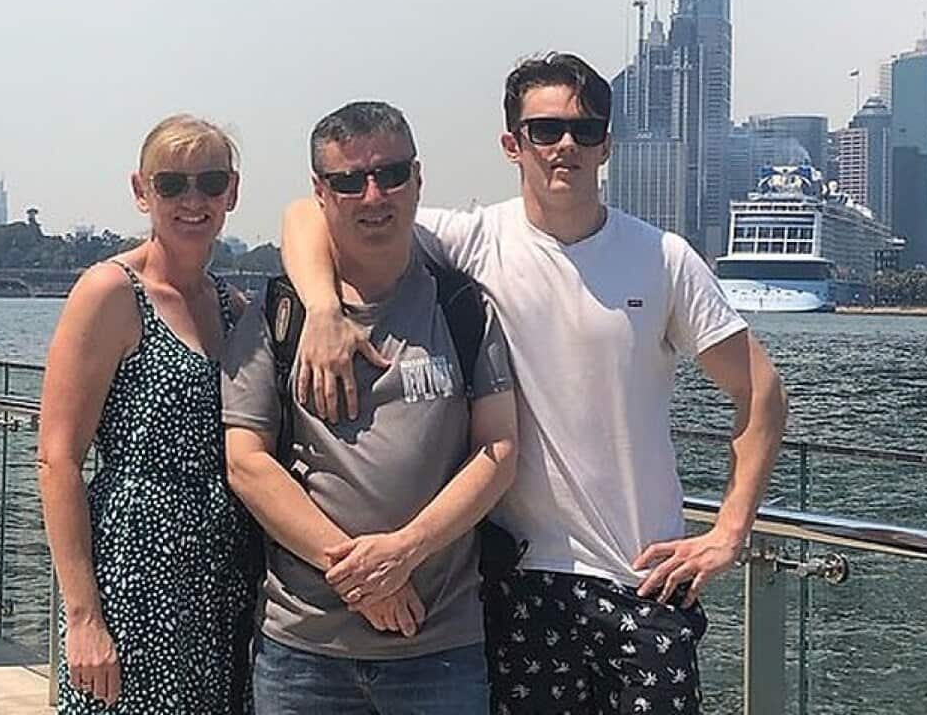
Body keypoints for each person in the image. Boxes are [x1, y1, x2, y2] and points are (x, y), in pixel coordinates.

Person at [280, 53, 788, 715]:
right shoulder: (473, 241)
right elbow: (309, 212)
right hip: (517, 585)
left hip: (642, 579)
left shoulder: (663, 258)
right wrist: (323, 310)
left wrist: (728, 533)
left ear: (607, 144)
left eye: (584, 129)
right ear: (512, 144)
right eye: (545, 130)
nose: (565, 145)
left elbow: (761, 393)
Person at [222, 100, 518, 715]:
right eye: (349, 181)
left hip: (440, 645)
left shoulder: (463, 307)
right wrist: (360, 577)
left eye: (391, 174)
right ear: (321, 192)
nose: (373, 195)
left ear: (418, 178)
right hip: (303, 648)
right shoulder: (280, 317)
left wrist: (405, 550)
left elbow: (499, 451)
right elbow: (246, 463)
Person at [38, 114, 261, 713]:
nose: (193, 200)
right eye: (171, 184)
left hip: (221, 575)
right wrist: (83, 616)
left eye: (210, 182)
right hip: (134, 570)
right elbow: (58, 459)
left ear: (232, 193)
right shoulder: (110, 293)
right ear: (142, 191)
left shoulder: (236, 309)